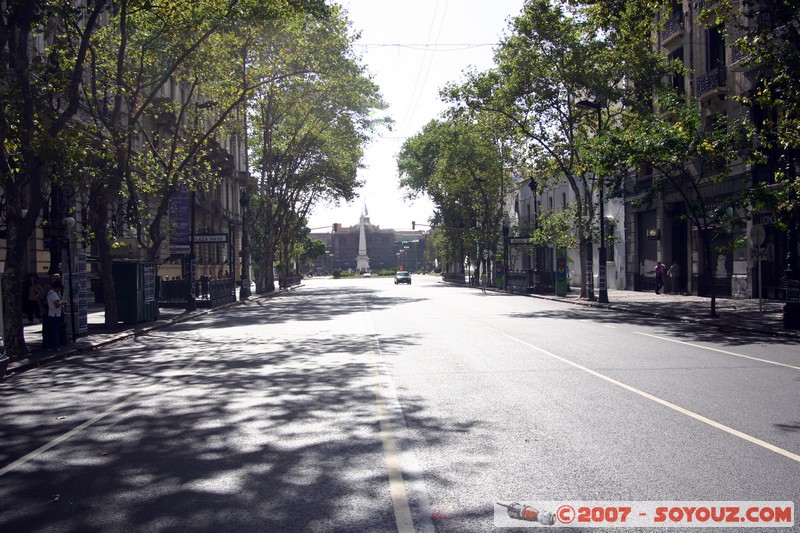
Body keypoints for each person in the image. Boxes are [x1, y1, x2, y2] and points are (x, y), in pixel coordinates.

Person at [45, 279, 65, 350]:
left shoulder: (50, 293)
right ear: (57, 287)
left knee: (53, 330)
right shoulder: (53, 294)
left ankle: (53, 345)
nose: (59, 290)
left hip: (52, 313)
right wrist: (62, 302)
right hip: (55, 314)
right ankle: (55, 345)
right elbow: (57, 304)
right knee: (55, 331)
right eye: (59, 288)